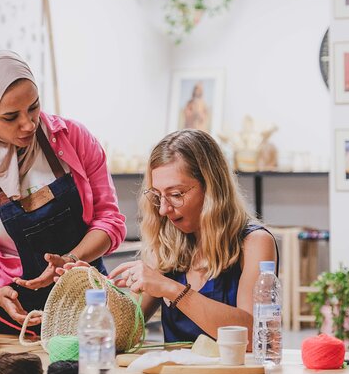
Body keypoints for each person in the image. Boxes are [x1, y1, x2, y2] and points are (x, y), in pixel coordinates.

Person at [0, 50, 126, 333]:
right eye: (11, 117)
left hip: (85, 304)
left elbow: (109, 221)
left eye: (34, 107)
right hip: (11, 313)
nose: (28, 124)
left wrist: (71, 261)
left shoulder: (72, 140)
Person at [105, 129, 278, 345]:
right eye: (158, 196)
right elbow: (124, 332)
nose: (163, 210)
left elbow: (255, 337)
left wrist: (170, 289)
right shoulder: (168, 244)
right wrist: (91, 288)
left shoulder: (254, 243)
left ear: (212, 187)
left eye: (176, 195)